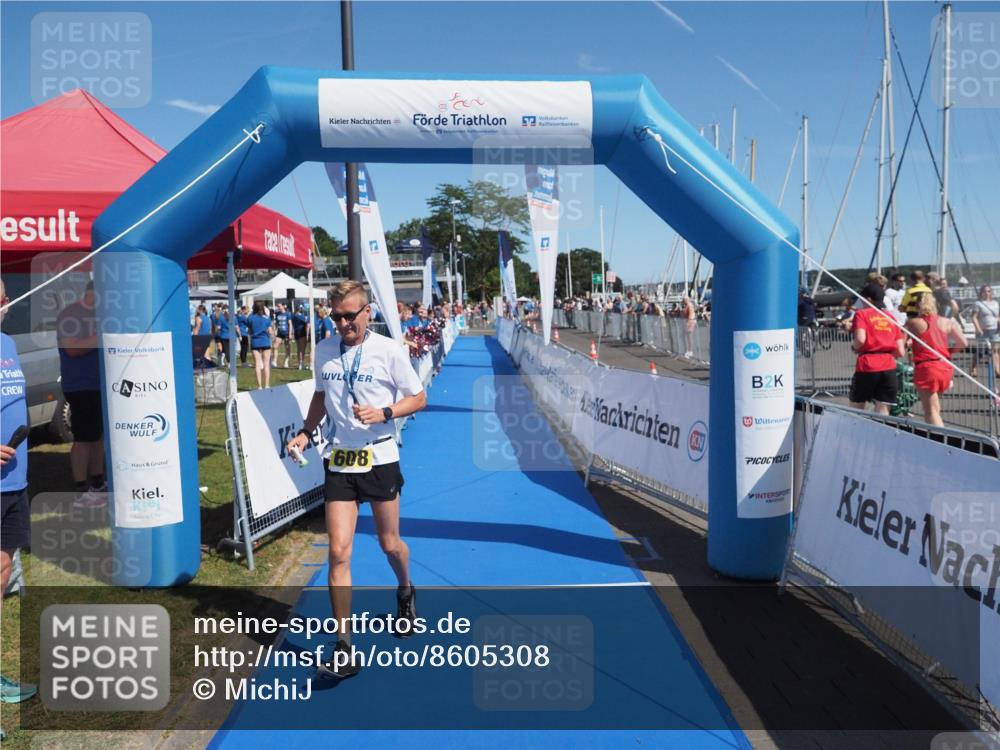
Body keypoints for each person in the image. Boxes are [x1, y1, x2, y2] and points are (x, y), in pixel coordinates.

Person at [286, 281, 427, 680]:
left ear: (368, 312)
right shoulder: (324, 351)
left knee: (389, 544)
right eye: (337, 316)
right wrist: (304, 431)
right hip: (340, 461)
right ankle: (344, 646)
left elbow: (418, 398)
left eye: (351, 315)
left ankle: (405, 589)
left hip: (380, 456)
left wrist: (384, 412)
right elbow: (320, 396)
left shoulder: (387, 350)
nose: (344, 323)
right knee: (339, 552)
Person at [0, 280, 38, 706]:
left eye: (7, 297)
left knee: (4, 573)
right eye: (1, 301)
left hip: (15, 482)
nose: (7, 305)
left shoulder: (8, 342)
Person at [56, 281, 106, 509]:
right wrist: (102, 337)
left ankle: (97, 483)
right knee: (84, 438)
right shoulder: (71, 314)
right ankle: (81, 490)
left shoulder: (98, 314)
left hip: (98, 384)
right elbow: (71, 348)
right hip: (80, 385)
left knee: (96, 436)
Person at [905, 294, 967, 427]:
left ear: (917, 306)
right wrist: (949, 352)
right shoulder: (946, 321)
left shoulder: (914, 322)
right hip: (944, 366)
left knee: (931, 411)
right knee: (934, 407)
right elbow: (963, 342)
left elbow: (899, 340)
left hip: (927, 368)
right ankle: (936, 435)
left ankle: (939, 440)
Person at [849, 283, 905, 416]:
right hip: (888, 365)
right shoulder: (891, 318)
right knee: (883, 410)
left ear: (868, 299)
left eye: (861, 299)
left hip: (868, 364)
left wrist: (854, 347)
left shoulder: (862, 314)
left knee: (857, 406)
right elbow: (901, 351)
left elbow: (861, 340)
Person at [970, 284, 999, 380]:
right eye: (984, 291)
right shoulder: (978, 304)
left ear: (991, 292)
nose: (986, 293)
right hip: (983, 330)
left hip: (994, 329)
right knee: (980, 352)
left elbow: (998, 316)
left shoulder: (995, 303)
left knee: (995, 351)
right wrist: (978, 328)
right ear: (981, 293)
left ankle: (997, 370)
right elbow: (974, 317)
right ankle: (973, 368)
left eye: (988, 291)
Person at [248, 302, 275, 390]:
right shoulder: (267, 318)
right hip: (265, 342)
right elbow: (270, 332)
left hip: (255, 342)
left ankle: (259, 386)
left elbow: (250, 331)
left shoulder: (250, 318)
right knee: (266, 364)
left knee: (257, 364)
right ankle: (266, 385)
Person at [273, 303, 292, 368]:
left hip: (286, 333)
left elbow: (290, 324)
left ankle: (286, 362)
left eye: (279, 306)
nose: (278, 307)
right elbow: (276, 324)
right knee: (275, 346)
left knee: (287, 348)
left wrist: (290, 333)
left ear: (283, 306)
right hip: (279, 333)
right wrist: (275, 331)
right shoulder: (277, 314)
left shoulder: (287, 314)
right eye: (278, 306)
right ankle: (274, 361)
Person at [292, 304, 310, 370]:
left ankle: (300, 363)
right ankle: (301, 363)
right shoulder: (300, 316)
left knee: (299, 349)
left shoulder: (294, 315)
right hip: (301, 333)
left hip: (296, 332)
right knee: (302, 349)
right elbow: (307, 322)